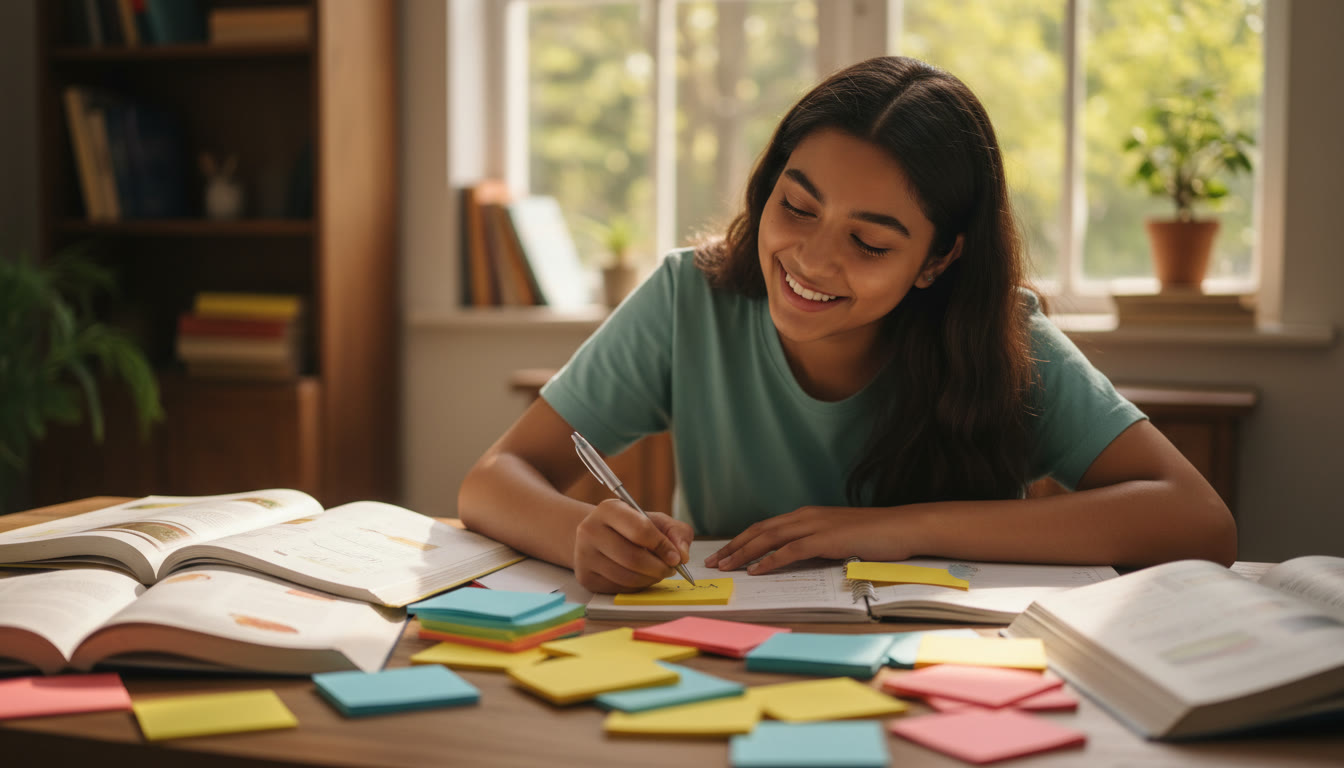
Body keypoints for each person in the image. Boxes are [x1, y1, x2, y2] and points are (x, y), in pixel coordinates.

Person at [458, 56, 1237, 594]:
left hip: (952, 681)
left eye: (869, 242)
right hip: (726, 663)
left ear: (937, 261)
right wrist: (580, 538)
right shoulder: (685, 299)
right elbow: (493, 481)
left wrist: (897, 530)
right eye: (795, 207)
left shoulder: (1003, 337)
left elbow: (1198, 521)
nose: (813, 259)